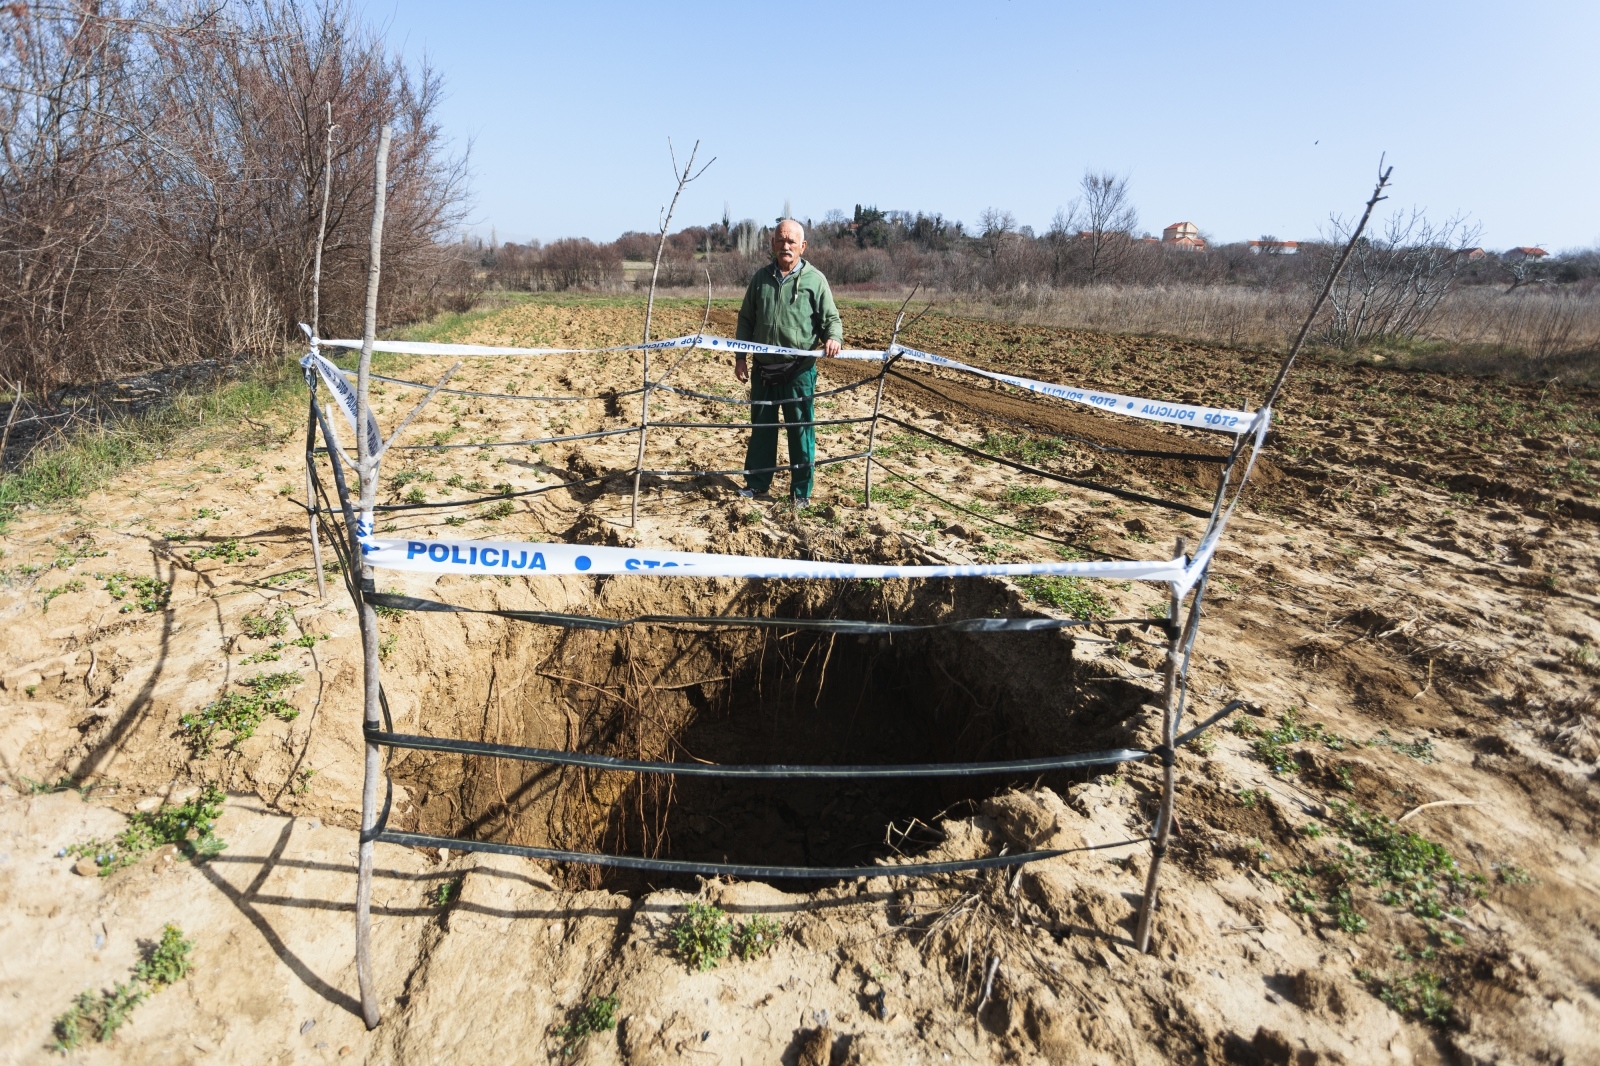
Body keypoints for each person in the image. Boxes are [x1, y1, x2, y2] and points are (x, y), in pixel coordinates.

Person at [733, 218, 842, 506]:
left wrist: (833, 337)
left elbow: (831, 319)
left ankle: (801, 493)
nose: (786, 246)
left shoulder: (815, 280)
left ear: (802, 246)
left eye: (791, 241)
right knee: (762, 430)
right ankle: (757, 484)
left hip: (799, 372)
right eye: (780, 240)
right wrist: (740, 358)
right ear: (772, 244)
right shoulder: (760, 279)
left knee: (801, 431)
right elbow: (746, 319)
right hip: (764, 370)